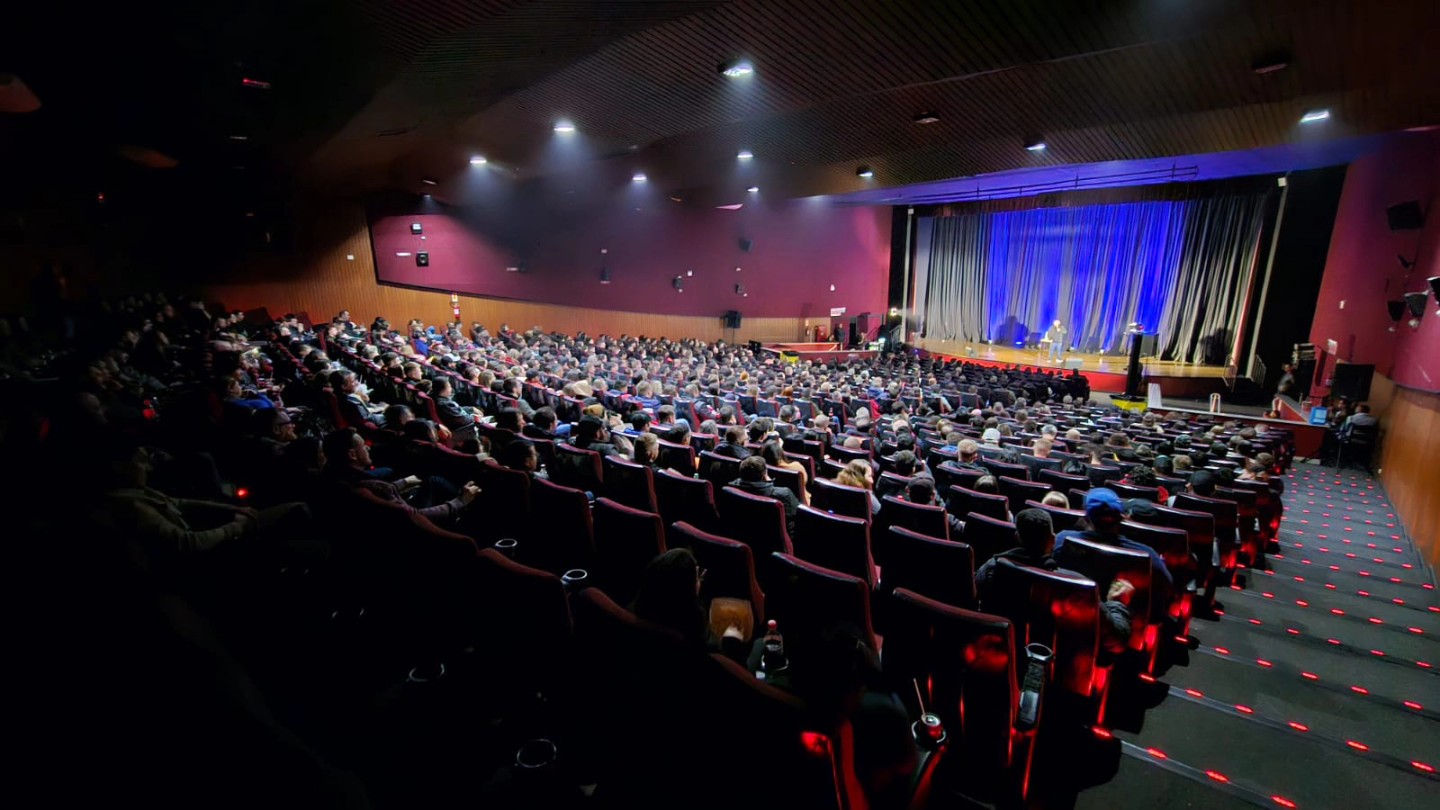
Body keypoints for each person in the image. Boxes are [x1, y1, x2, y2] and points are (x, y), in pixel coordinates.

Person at [978, 508, 1134, 654]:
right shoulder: (1077, 585)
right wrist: (1117, 603)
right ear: (1052, 540)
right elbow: (1117, 640)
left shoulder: (990, 568)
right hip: (1063, 673)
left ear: (1018, 537)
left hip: (1000, 659)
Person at [1054, 489, 1173, 615]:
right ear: (1122, 518)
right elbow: (1167, 587)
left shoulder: (1063, 539)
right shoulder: (1147, 554)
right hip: (1125, 624)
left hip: (1069, 615)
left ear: (1086, 517)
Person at [629, 548, 747, 662]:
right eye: (697, 577)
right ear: (686, 590)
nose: (699, 581)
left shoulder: (636, 613)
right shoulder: (697, 639)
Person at [729, 455, 799, 536]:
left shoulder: (731, 489)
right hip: (775, 540)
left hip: (743, 533)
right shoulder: (783, 494)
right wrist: (769, 483)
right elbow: (798, 515)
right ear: (764, 475)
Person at [760, 439, 810, 505]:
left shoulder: (763, 468)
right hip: (799, 504)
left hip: (775, 499)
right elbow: (805, 481)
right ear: (781, 452)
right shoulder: (796, 467)